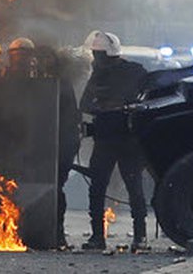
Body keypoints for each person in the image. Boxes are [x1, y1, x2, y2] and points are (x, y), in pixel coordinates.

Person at [79, 30, 149, 252]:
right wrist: (102, 106)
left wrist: (119, 105)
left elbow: (148, 96)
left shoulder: (134, 72)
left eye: (98, 54)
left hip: (127, 140)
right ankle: (98, 237)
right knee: (98, 188)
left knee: (133, 188)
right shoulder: (98, 75)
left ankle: (140, 237)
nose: (95, 58)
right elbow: (85, 104)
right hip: (105, 139)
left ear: (109, 54)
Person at [35, 44, 81, 249]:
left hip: (61, 143)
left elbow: (70, 118)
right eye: (41, 58)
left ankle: (58, 233)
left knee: (56, 187)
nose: (44, 62)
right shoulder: (33, 82)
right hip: (36, 144)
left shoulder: (62, 85)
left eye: (47, 58)